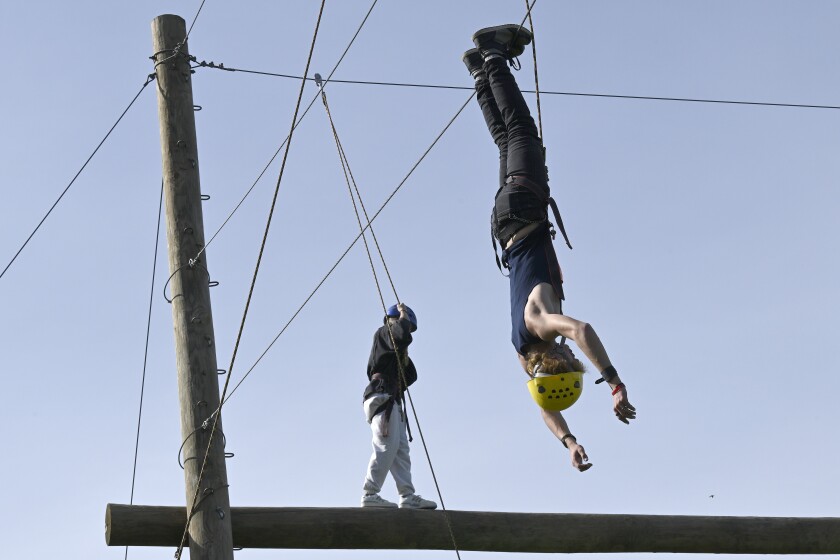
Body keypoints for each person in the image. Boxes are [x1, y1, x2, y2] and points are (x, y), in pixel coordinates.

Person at [464, 25, 637, 472]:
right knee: (506, 141)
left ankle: (493, 54)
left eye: (571, 365)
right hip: (508, 222)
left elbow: (582, 329)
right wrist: (569, 441)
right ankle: (480, 73)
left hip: (523, 206)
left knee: (522, 130)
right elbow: (544, 407)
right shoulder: (524, 352)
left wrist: (613, 381)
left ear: (557, 361)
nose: (576, 359)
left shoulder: (542, 325)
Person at [360, 303, 437, 509]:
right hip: (382, 397)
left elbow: (410, 375)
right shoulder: (384, 333)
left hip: (391, 399)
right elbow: (400, 334)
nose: (408, 330)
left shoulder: (392, 349)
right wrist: (403, 316)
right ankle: (370, 492)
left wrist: (402, 354)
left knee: (400, 449)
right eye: (406, 325)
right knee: (386, 445)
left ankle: (407, 495)